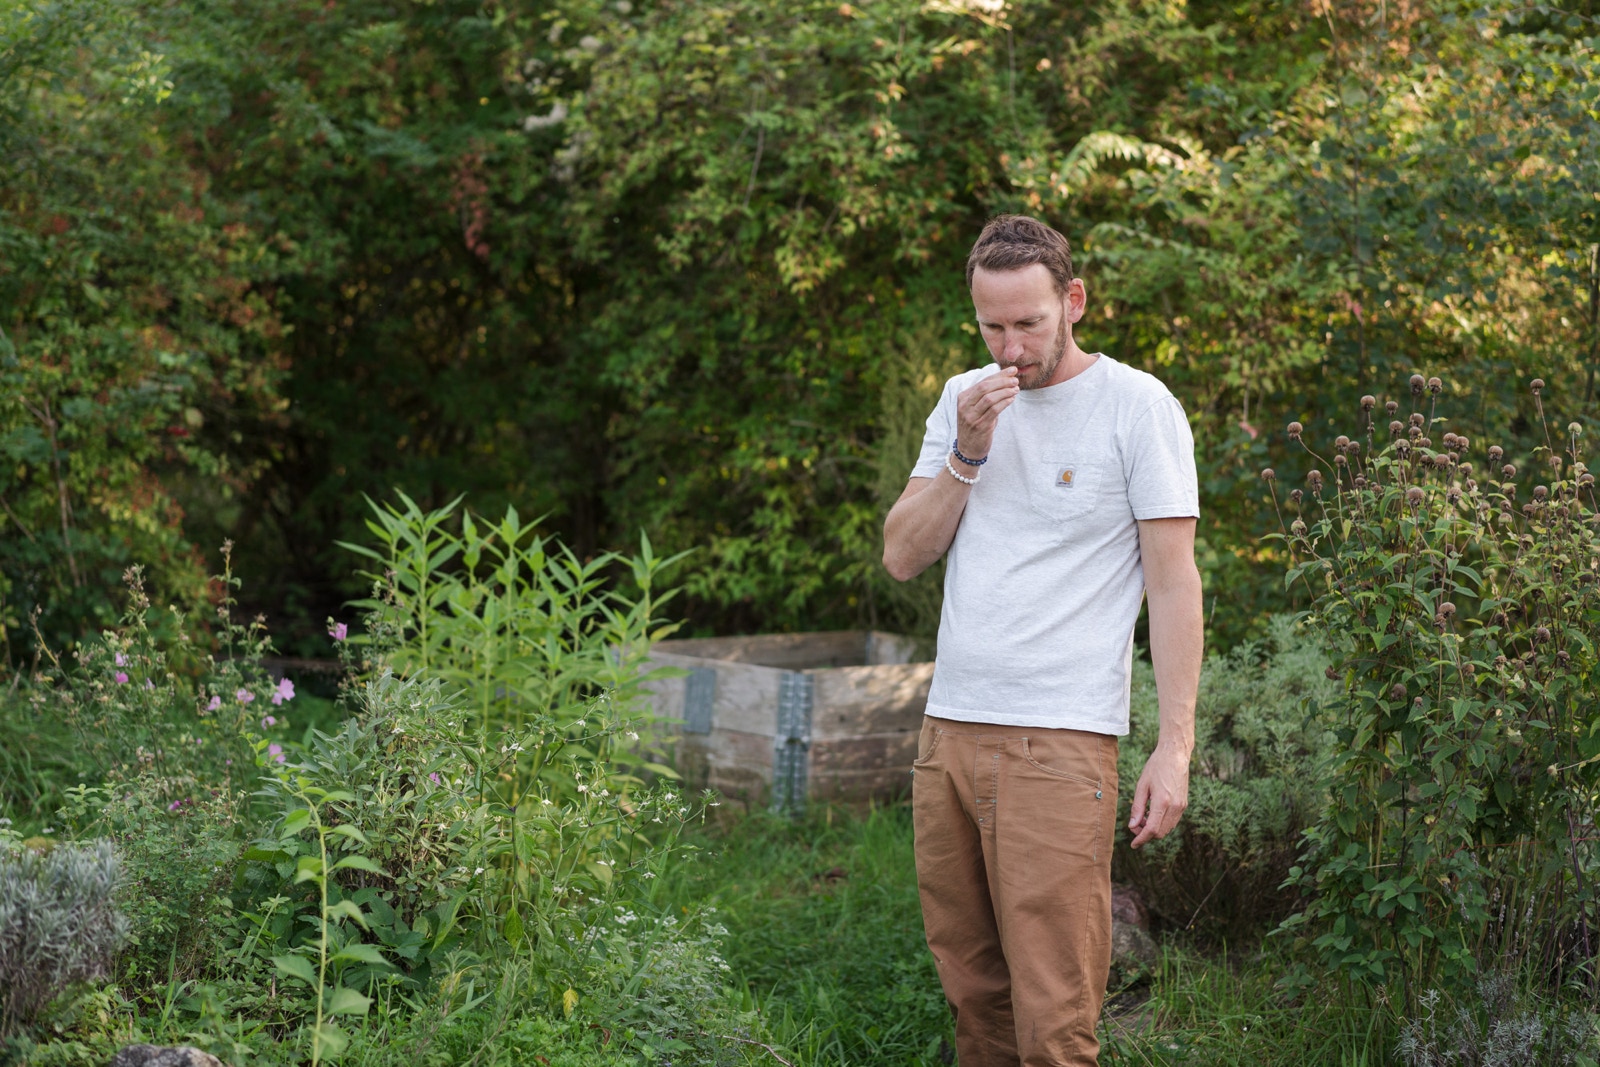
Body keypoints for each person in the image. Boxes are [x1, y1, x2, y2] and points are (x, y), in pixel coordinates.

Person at [882, 214, 1203, 1066]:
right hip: (948, 733)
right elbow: (902, 554)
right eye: (992, 327)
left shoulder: (1138, 406)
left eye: (1029, 322)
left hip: (1059, 742)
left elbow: (1174, 583)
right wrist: (967, 453)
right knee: (975, 997)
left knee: (1055, 1016)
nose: (1012, 348)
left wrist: (1175, 746)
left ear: (1074, 301)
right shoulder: (964, 400)